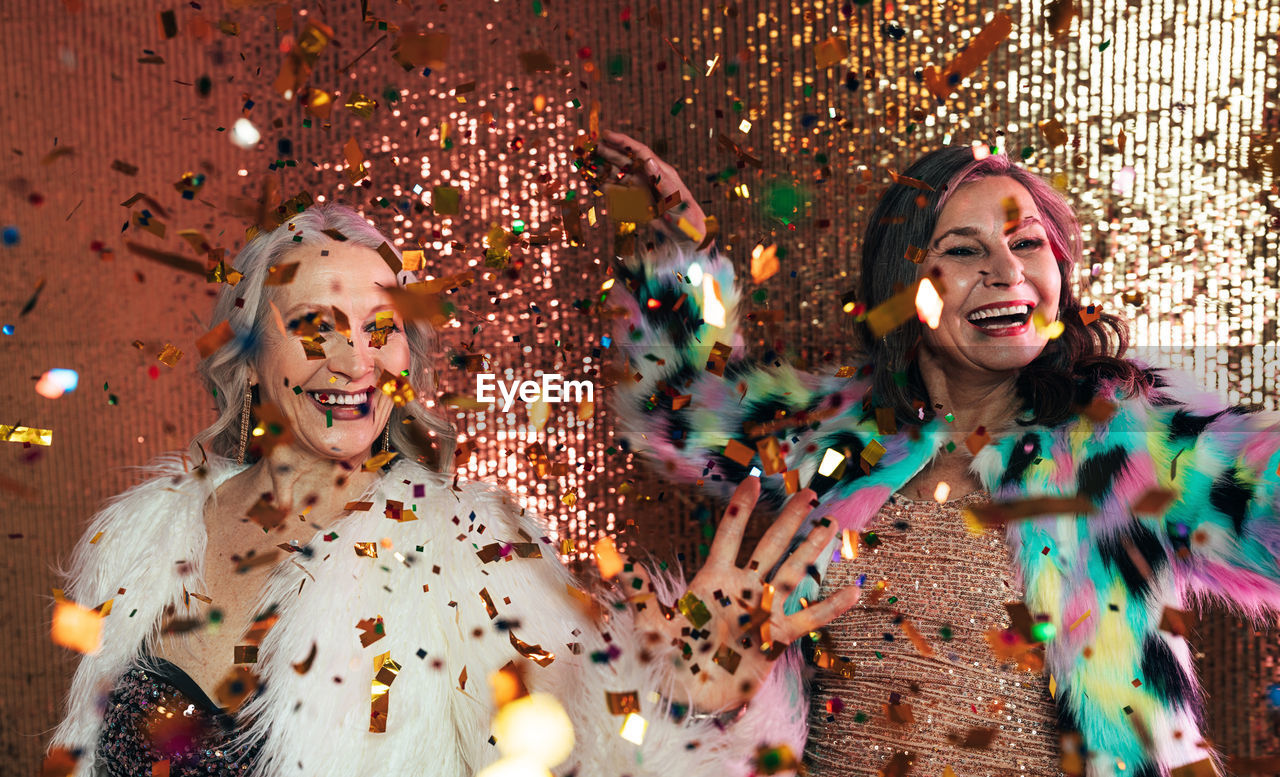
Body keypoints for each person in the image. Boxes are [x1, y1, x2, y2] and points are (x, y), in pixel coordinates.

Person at [46, 202, 860, 776]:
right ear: (250, 357)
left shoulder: (470, 551)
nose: (355, 362)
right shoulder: (144, 541)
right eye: (314, 326)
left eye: (381, 327)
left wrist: (671, 696)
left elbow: (569, 753)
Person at [596, 131, 1280, 777]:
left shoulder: (1131, 450)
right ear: (904, 281)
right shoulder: (829, 443)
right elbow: (681, 400)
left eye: (1027, 242)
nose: (1007, 271)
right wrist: (676, 248)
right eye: (963, 249)